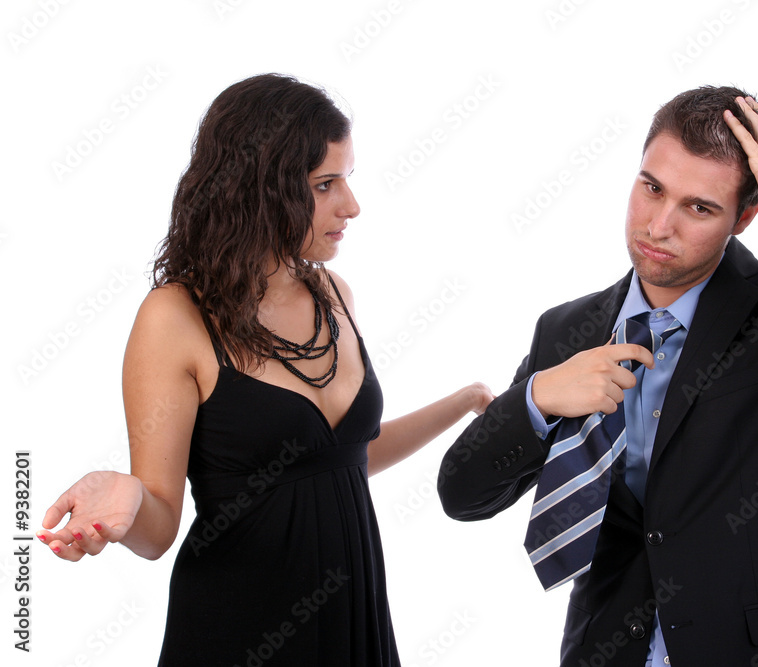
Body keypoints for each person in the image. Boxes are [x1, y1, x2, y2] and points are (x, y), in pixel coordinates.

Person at [437, 86, 758, 666]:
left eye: (699, 207)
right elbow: (463, 495)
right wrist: (538, 399)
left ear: (745, 216)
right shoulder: (567, 330)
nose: (659, 226)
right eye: (652, 187)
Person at [36, 73, 494, 666]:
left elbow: (341, 456)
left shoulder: (336, 296)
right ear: (261, 188)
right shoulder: (175, 318)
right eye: (325, 184)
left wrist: (464, 401)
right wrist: (129, 496)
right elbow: (157, 529)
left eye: (347, 180)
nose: (351, 206)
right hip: (238, 635)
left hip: (356, 628)